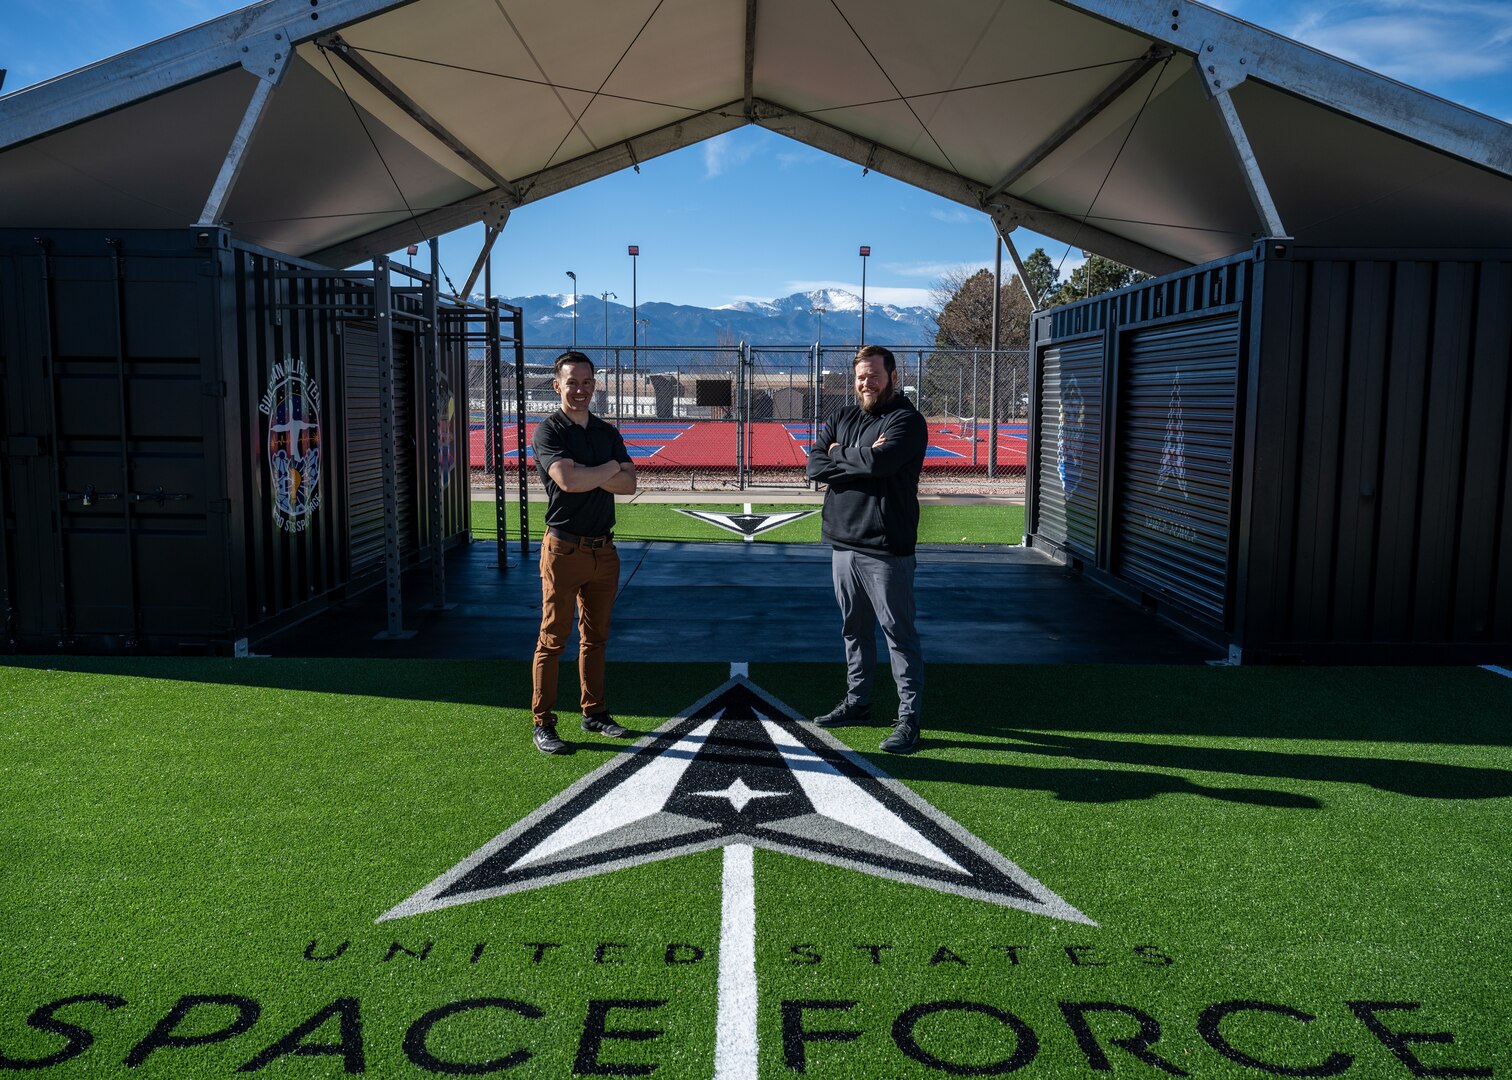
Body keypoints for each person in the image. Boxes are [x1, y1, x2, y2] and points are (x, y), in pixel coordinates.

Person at [805, 344, 928, 753]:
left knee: (898, 634)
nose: (866, 382)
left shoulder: (907, 420)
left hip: (885, 547)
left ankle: (908, 719)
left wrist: (840, 455)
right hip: (843, 542)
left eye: (874, 374)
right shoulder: (842, 416)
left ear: (892, 376)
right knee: (854, 631)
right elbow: (814, 466)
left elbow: (881, 465)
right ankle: (858, 703)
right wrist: (850, 456)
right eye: (861, 376)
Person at [530, 351, 638, 754]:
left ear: (595, 384)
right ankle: (543, 722)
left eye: (586, 382)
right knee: (553, 638)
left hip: (603, 551)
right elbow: (568, 481)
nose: (580, 389)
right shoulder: (549, 431)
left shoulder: (606, 431)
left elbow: (630, 486)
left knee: (595, 638)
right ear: (557, 385)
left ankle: (594, 712)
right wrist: (610, 468)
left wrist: (595, 472)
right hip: (564, 548)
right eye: (571, 382)